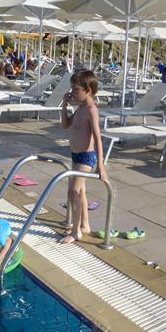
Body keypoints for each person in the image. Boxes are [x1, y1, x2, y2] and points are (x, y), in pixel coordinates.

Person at [60, 70, 107, 245]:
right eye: (71, 88)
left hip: (87, 157)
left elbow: (98, 138)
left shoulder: (91, 110)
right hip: (76, 155)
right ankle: (85, 225)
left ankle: (76, 232)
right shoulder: (80, 108)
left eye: (76, 89)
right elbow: (65, 125)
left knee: (72, 191)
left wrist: (100, 165)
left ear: (88, 90)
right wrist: (64, 106)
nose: (72, 92)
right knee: (80, 191)